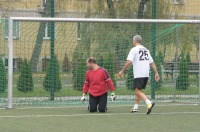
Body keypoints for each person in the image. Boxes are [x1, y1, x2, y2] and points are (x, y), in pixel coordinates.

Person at [119, 35, 160, 115]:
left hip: (139, 73)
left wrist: (122, 71)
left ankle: (149, 102)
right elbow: (152, 62)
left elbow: (129, 62)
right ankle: (135, 108)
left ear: (134, 41)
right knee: (138, 90)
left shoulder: (134, 50)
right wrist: (156, 73)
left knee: (137, 91)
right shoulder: (146, 50)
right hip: (146, 74)